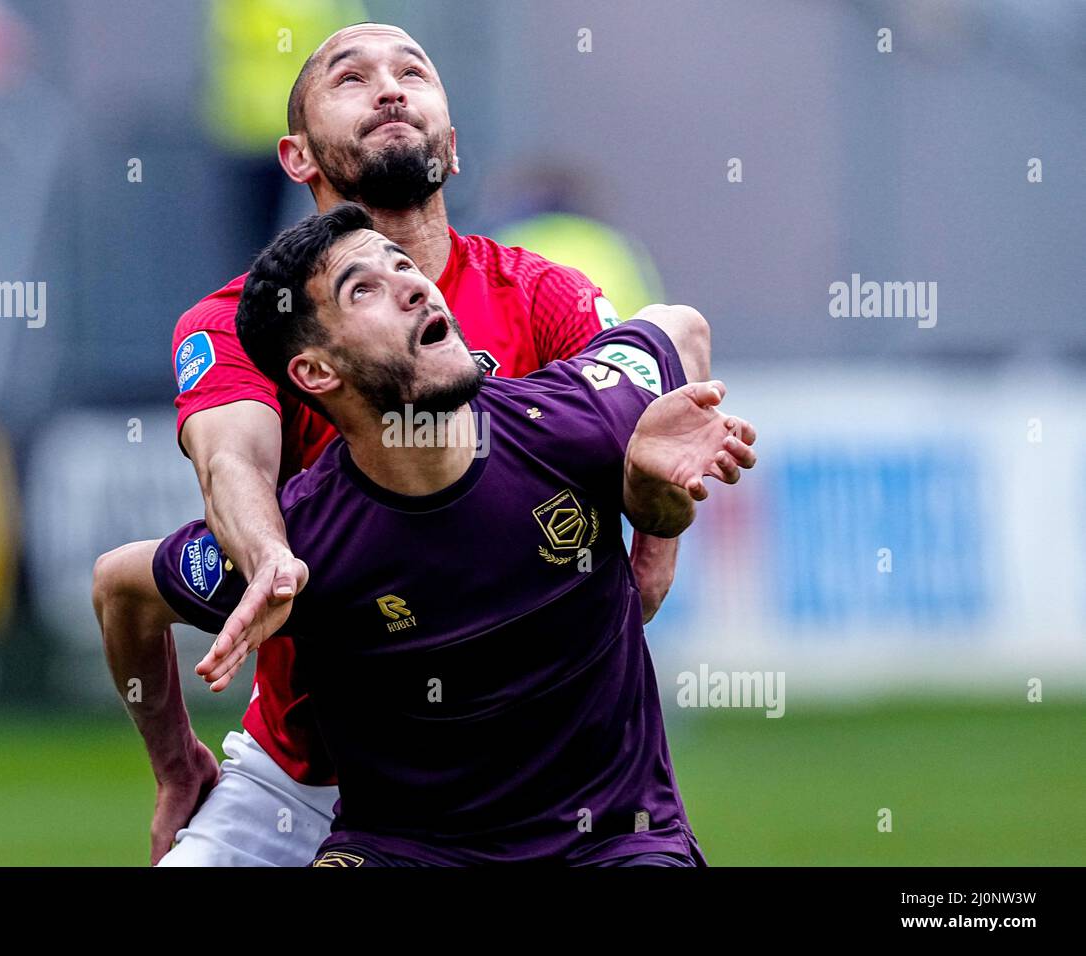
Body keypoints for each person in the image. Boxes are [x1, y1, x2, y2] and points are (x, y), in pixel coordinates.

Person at [92, 22, 711, 866]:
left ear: (451, 148)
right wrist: (270, 563)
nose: (389, 88)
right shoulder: (246, 325)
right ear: (297, 156)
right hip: (307, 772)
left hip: (535, 774)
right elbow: (230, 461)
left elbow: (654, 380)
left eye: (413, 72)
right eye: (351, 78)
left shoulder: (543, 295)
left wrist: (657, 529)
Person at [156, 203, 756, 865]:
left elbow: (681, 329)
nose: (413, 286)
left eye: (406, 267)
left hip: (614, 844)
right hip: (380, 832)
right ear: (315, 373)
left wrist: (654, 522)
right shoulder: (300, 542)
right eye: (365, 288)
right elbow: (125, 586)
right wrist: (176, 762)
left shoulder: (569, 416)